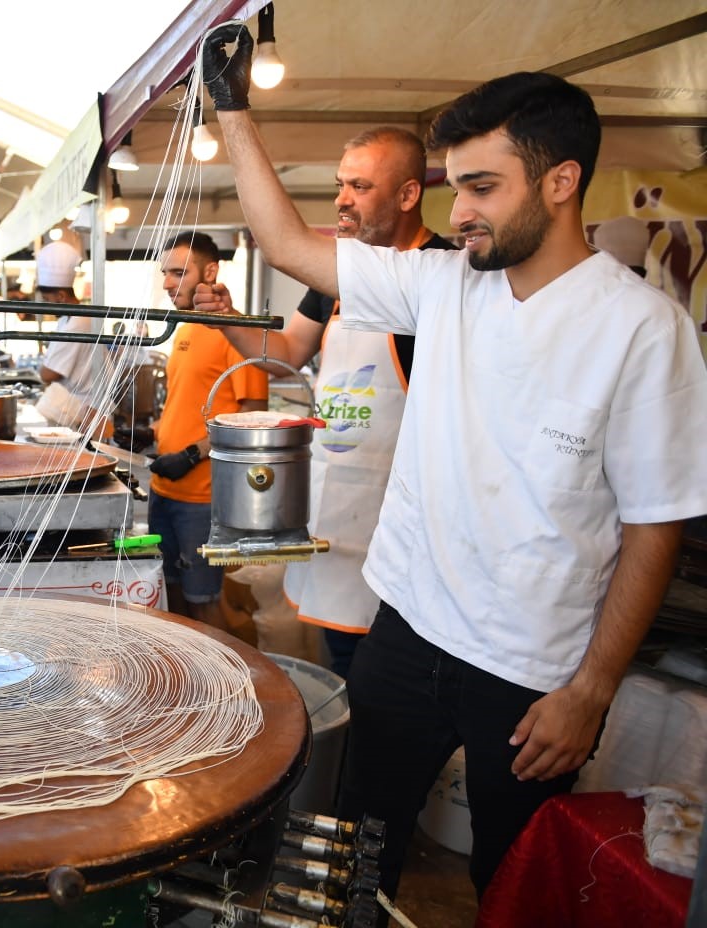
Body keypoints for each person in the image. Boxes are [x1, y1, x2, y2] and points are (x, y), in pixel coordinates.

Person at [203, 25, 707, 901]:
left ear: (560, 183)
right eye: (455, 186)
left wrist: (589, 691)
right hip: (411, 624)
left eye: (482, 187)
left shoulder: (641, 330)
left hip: (534, 666)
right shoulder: (445, 283)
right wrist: (234, 111)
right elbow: (287, 245)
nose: (460, 212)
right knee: (357, 846)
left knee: (511, 881)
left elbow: (655, 521)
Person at [196, 127, 457, 676]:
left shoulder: (444, 274)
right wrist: (228, 318)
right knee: (343, 663)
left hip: (401, 521)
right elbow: (287, 350)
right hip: (335, 510)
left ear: (408, 195)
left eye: (359, 186)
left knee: (390, 671)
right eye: (341, 184)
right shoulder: (341, 274)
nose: (341, 199)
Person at [146, 231, 268, 633]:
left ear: (210, 271)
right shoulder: (185, 326)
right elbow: (190, 402)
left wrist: (192, 454)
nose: (167, 282)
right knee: (172, 600)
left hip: (204, 499)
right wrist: (157, 433)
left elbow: (253, 417)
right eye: (166, 273)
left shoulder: (235, 331)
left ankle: (228, 689)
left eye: (179, 272)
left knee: (205, 605)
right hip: (165, 491)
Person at [32, 242, 110, 435]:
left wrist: (44, 368)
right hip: (79, 408)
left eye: (48, 301)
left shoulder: (79, 322)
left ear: (60, 296)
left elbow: (49, 374)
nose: (47, 307)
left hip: (89, 412)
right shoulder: (69, 318)